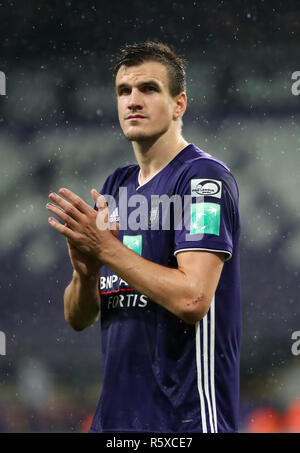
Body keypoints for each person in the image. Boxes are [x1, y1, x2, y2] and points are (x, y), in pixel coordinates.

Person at [46, 41, 241, 433]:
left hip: (184, 421)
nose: (133, 101)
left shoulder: (203, 179)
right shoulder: (116, 186)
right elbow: (77, 317)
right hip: (115, 422)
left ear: (179, 104)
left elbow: (192, 298)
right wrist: (86, 272)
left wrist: (107, 250)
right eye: (124, 91)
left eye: (149, 89)